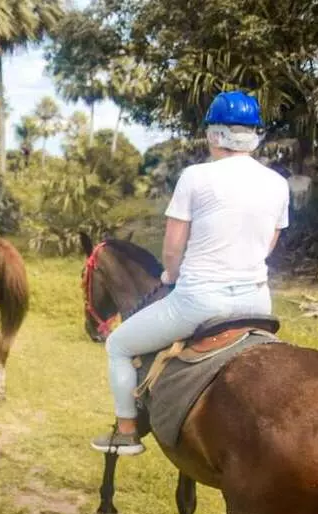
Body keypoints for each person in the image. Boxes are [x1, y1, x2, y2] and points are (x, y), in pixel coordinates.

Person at [90, 91, 290, 456]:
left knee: (118, 345)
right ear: (255, 135)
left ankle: (126, 431)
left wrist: (170, 274)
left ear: (214, 135)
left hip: (200, 301)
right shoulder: (277, 183)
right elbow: (269, 245)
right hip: (257, 302)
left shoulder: (195, 176)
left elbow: (173, 245)